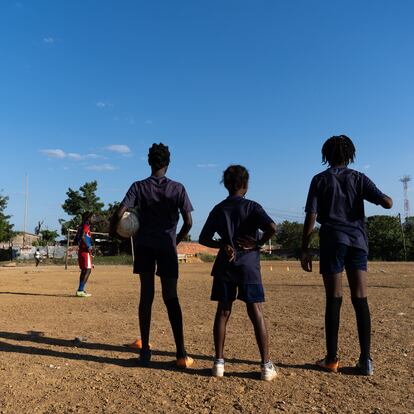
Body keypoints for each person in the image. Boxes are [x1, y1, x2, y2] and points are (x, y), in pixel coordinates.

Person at [301, 135, 393, 376]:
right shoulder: (358, 178)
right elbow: (387, 202)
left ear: (326, 156)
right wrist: (381, 199)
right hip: (358, 242)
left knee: (334, 299)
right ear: (350, 155)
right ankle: (366, 361)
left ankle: (331, 359)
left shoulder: (319, 179)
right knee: (360, 299)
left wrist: (305, 247)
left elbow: (311, 215)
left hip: (333, 241)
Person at [111, 143, 194, 368]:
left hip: (145, 246)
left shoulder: (138, 187)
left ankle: (145, 350)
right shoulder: (178, 188)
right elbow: (188, 222)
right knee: (171, 297)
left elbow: (119, 213)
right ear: (168, 163)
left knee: (146, 296)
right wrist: (174, 241)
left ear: (149, 162)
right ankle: (180, 352)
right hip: (167, 246)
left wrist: (114, 231)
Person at [199, 165, 278, 381]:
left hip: (226, 264)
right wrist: (258, 243)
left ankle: (218, 363)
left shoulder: (218, 209)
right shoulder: (252, 206)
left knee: (223, 312)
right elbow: (272, 227)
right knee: (256, 312)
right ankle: (265, 365)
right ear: (246, 184)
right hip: (249, 265)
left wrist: (222, 243)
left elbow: (203, 238)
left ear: (225, 184)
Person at [75, 211, 96, 297]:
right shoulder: (86, 225)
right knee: (88, 270)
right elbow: (83, 237)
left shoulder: (81, 226)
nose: (94, 219)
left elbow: (76, 239)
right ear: (88, 218)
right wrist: (88, 246)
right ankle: (80, 290)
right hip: (85, 251)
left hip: (82, 251)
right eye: (93, 217)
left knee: (84, 270)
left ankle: (81, 290)